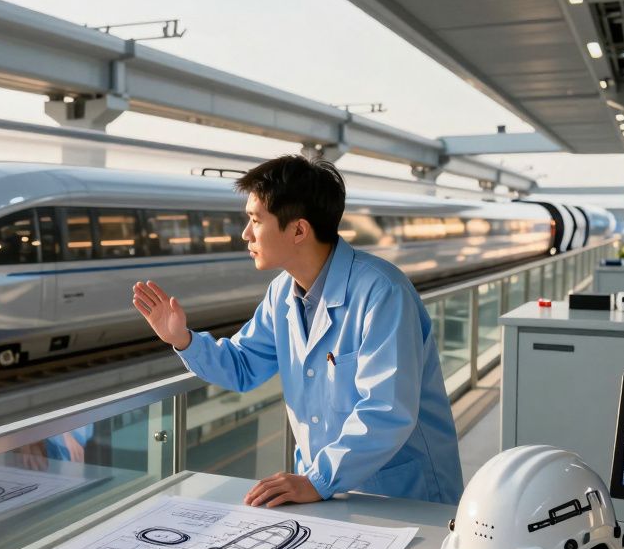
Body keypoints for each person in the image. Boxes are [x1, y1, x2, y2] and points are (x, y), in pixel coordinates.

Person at [131, 155, 463, 507]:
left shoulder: (381, 292)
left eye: (255, 220)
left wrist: (318, 479)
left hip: (402, 492)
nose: (245, 234)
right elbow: (244, 366)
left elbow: (387, 408)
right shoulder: (281, 293)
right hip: (323, 489)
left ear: (299, 230)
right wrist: (182, 339)